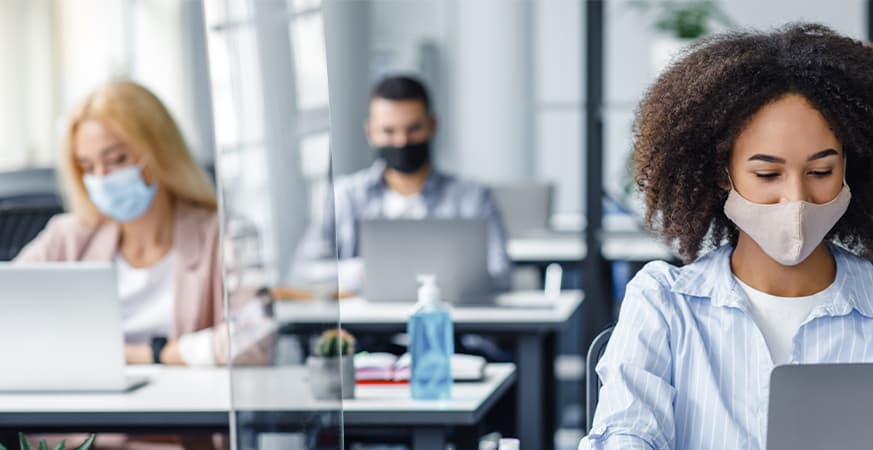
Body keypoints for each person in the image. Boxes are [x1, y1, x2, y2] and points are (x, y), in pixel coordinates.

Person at [581, 23, 873, 450]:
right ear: (722, 174)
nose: (797, 199)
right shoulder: (664, 304)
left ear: (851, 168)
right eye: (768, 174)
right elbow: (626, 436)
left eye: (821, 172)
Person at [17, 80, 271, 368]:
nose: (101, 177)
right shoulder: (67, 236)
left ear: (160, 152)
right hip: (85, 407)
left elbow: (256, 339)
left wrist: (151, 354)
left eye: (116, 159)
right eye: (87, 167)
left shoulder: (229, 234)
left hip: (187, 407)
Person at [292, 75, 511, 292]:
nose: (401, 141)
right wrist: (360, 273)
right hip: (363, 324)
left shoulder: (472, 197)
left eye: (413, 129)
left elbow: (500, 273)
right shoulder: (346, 196)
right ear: (370, 132)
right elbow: (303, 271)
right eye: (389, 131)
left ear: (432, 126)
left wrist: (448, 278)